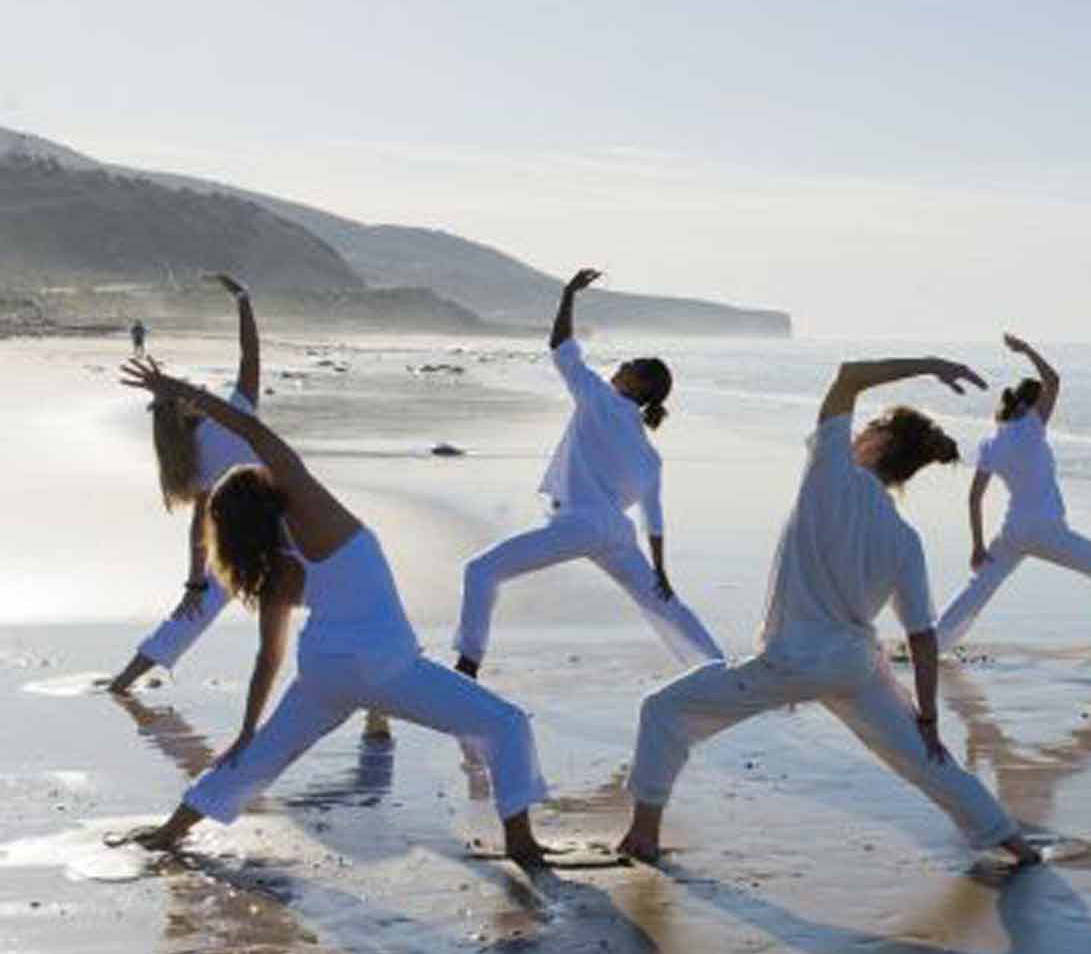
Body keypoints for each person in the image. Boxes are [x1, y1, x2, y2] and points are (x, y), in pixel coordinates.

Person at [113, 358, 550, 864]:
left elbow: (268, 657)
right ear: (265, 487)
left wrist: (248, 729)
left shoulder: (269, 565)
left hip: (323, 672)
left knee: (256, 759)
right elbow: (250, 427)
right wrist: (174, 386)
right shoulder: (313, 510)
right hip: (387, 666)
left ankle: (170, 833)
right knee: (507, 724)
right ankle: (521, 843)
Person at [616, 355, 1040, 868]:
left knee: (663, 711)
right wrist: (926, 716)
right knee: (925, 759)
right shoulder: (905, 537)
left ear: (879, 441)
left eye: (871, 425)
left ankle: (643, 834)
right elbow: (923, 637)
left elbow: (848, 375)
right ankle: (1013, 843)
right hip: (855, 665)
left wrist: (930, 365)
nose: (858, 430)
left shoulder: (829, 473)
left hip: (796, 661)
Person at [452, 268, 722, 678]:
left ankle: (467, 666)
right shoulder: (649, 453)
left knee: (481, 571)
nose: (622, 363)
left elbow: (560, 345)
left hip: (577, 522)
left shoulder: (598, 398)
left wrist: (568, 295)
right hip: (616, 532)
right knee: (664, 603)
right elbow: (654, 519)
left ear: (635, 384)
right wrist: (661, 571)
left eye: (630, 365)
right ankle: (718, 667)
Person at [932, 333, 1091, 656]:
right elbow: (1053, 379)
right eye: (1041, 402)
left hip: (1013, 531)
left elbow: (974, 499)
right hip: (1048, 530)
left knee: (978, 589)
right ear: (1028, 406)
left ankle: (932, 643)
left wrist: (978, 545)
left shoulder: (991, 444)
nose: (1047, 407)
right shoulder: (1032, 425)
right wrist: (1026, 350)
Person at [107, 275, 263, 695]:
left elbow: (200, 527)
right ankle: (376, 697)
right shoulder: (234, 417)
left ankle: (122, 682)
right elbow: (250, 357)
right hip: (282, 534)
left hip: (234, 548)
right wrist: (243, 300)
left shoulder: (187, 457)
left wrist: (195, 583)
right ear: (191, 404)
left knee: (190, 616)